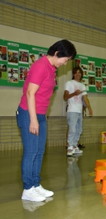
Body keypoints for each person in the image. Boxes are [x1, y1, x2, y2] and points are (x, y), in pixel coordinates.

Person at [16, 39, 76, 202]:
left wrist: (39, 118)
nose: (65, 63)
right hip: (29, 113)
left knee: (40, 151)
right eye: (66, 59)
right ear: (57, 53)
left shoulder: (51, 68)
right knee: (31, 152)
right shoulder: (41, 66)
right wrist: (33, 120)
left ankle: (35, 184)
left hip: (40, 114)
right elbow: (30, 93)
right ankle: (28, 189)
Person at [64, 67, 93, 156]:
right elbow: (65, 97)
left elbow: (85, 98)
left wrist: (89, 108)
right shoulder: (69, 83)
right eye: (76, 72)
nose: (78, 74)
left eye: (79, 73)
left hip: (79, 111)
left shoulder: (82, 86)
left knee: (79, 130)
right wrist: (74, 93)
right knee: (72, 129)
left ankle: (74, 146)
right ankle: (69, 147)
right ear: (73, 74)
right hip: (72, 110)